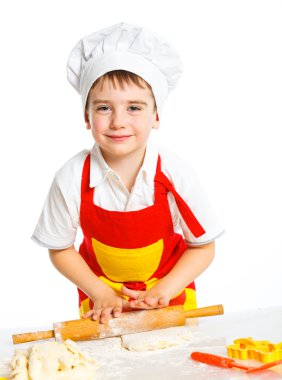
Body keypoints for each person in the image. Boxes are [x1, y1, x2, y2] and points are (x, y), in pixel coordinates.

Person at [32, 22, 224, 324]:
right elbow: (60, 248)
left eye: (134, 108)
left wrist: (165, 290)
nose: (118, 121)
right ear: (86, 116)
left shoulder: (175, 173)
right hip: (102, 301)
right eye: (104, 108)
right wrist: (99, 292)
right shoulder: (70, 177)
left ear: (156, 116)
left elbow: (203, 246)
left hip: (170, 295)